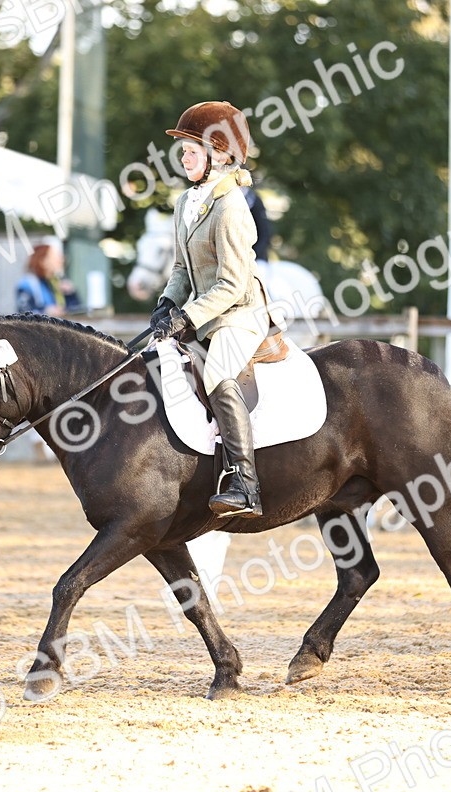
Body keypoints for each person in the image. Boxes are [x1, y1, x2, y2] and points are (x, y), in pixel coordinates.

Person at [150, 100, 282, 518]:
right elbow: (180, 268)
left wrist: (188, 317)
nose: (184, 158)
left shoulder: (231, 207)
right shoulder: (185, 203)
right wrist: (167, 302)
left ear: (220, 156)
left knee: (216, 373)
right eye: (184, 151)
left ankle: (245, 483)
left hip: (239, 313)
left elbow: (233, 284)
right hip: (204, 311)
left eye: (192, 150)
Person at [15, 236, 80, 316]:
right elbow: (23, 313)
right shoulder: (28, 284)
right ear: (42, 261)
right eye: (57, 257)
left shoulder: (55, 282)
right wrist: (45, 312)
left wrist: (71, 295)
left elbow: (75, 311)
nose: (62, 260)